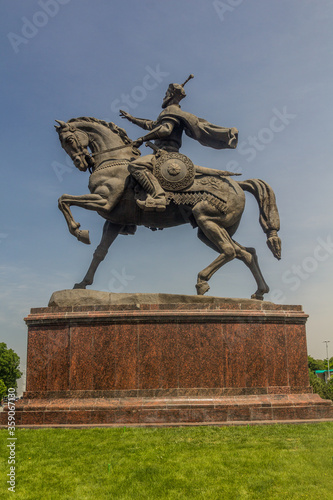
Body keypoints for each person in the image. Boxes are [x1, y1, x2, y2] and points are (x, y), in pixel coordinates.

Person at [120, 75, 238, 211]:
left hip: (166, 154)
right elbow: (152, 125)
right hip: (161, 153)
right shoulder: (171, 112)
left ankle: (158, 196)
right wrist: (132, 119)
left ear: (170, 95)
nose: (164, 96)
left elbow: (165, 130)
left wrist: (142, 139)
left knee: (135, 166)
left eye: (165, 94)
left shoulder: (171, 111)